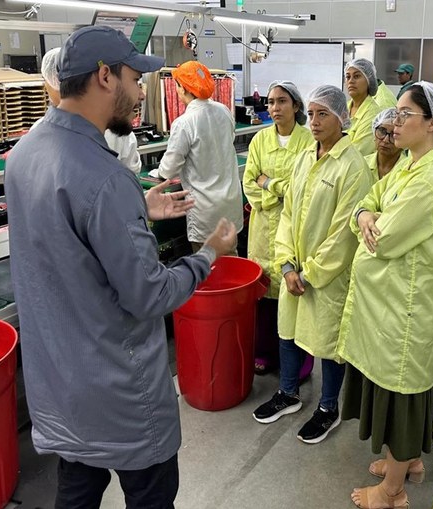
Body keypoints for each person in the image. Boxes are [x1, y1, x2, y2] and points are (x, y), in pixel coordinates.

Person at [5, 26, 238, 507]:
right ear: (105, 77)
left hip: (61, 387)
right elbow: (150, 294)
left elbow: (70, 242)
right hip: (120, 390)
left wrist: (136, 206)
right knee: (151, 497)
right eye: (136, 78)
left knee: (77, 492)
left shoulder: (24, 155)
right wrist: (209, 253)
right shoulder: (105, 178)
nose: (140, 94)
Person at [337, 81, 433, 509]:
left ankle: (392, 491)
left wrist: (372, 221)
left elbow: (382, 241)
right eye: (397, 113)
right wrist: (365, 213)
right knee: (394, 392)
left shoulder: (429, 180)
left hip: (407, 309)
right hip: (390, 306)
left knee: (402, 398)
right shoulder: (411, 165)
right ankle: (403, 464)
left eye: (405, 114)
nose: (395, 122)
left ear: (432, 123)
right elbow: (368, 201)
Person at [252, 85, 373, 445]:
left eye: (324, 114)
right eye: (313, 114)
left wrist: (310, 273)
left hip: (326, 276)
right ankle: (288, 393)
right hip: (295, 269)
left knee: (327, 343)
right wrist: (287, 264)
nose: (315, 122)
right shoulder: (306, 156)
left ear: (341, 118)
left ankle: (328, 408)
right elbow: (288, 212)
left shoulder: (352, 167)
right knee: (288, 333)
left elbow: (344, 234)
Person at [242, 80, 313, 377]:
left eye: (281, 101)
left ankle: (300, 361)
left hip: (296, 230)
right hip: (262, 229)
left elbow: (304, 189)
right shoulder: (260, 140)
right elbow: (248, 183)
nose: (274, 108)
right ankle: (266, 353)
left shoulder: (309, 141)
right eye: (270, 102)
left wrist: (269, 183)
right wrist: (280, 196)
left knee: (296, 293)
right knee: (265, 298)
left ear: (295, 106)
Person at [154, 60, 244, 251]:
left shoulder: (184, 122)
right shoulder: (224, 110)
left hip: (205, 210)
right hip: (229, 203)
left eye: (177, 86)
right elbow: (230, 138)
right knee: (232, 265)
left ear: (184, 89)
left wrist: (159, 172)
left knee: (207, 269)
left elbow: (169, 169)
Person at [37, 46, 141, 173]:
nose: (142, 95)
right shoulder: (114, 125)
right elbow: (131, 175)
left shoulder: (35, 135)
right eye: (135, 80)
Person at [345, 58, 383, 156]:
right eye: (348, 77)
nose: (351, 81)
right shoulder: (343, 107)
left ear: (369, 80)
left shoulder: (373, 114)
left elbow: (357, 152)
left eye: (356, 76)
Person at [366, 108, 406, 181]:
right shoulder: (363, 164)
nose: (385, 140)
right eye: (382, 131)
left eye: (393, 134)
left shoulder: (407, 170)